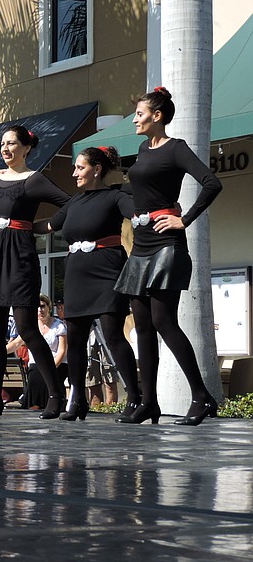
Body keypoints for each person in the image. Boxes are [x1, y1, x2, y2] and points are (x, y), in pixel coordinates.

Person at [114, 87, 223, 425]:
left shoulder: (177, 148)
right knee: (142, 326)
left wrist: (184, 219)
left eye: (140, 114)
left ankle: (202, 397)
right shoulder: (143, 149)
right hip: (142, 245)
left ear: (157, 116)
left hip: (166, 244)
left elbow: (211, 183)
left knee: (163, 321)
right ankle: (149, 403)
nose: (134, 119)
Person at [0, 126, 71, 419]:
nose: (5, 148)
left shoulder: (33, 179)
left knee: (26, 328)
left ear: (26, 148)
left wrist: (45, 227)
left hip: (20, 256)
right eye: (2, 144)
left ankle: (54, 395)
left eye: (12, 144)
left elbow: (68, 202)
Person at [42, 145, 140, 421]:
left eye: (80, 167)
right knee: (75, 340)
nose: (74, 173)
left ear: (97, 169)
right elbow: (48, 226)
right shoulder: (73, 203)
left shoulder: (116, 197)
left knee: (112, 335)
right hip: (76, 276)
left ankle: (134, 398)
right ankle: (77, 402)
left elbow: (138, 213)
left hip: (107, 271)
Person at [15, 295, 67, 410]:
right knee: (34, 376)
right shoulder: (30, 326)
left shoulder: (58, 326)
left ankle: (54, 406)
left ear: (48, 307)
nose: (40, 310)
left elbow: (62, 351)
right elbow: (16, 344)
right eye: (37, 307)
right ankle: (33, 408)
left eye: (42, 306)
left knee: (47, 377)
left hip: (56, 364)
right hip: (35, 366)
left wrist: (50, 369)